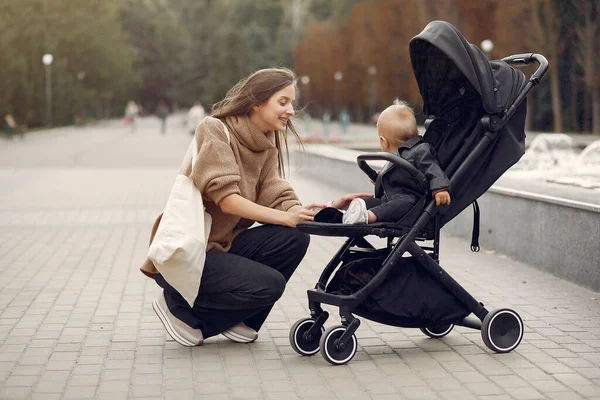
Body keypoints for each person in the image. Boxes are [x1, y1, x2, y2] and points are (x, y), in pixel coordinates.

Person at [140, 68, 368, 346]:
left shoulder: (267, 140)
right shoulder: (214, 129)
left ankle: (241, 319)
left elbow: (276, 192)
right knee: (271, 284)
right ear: (257, 102)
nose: (291, 111)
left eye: (292, 103)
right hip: (192, 250)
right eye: (282, 102)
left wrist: (326, 209)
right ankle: (179, 308)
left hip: (224, 247)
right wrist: (286, 218)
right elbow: (227, 200)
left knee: (296, 237)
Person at [341, 99, 451, 224]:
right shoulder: (396, 156)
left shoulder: (420, 150)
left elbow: (432, 168)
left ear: (383, 141)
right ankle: (348, 214)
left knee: (395, 206)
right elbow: (398, 179)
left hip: (411, 203)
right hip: (389, 199)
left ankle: (367, 216)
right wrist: (379, 178)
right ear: (416, 132)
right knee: (367, 201)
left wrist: (440, 188)